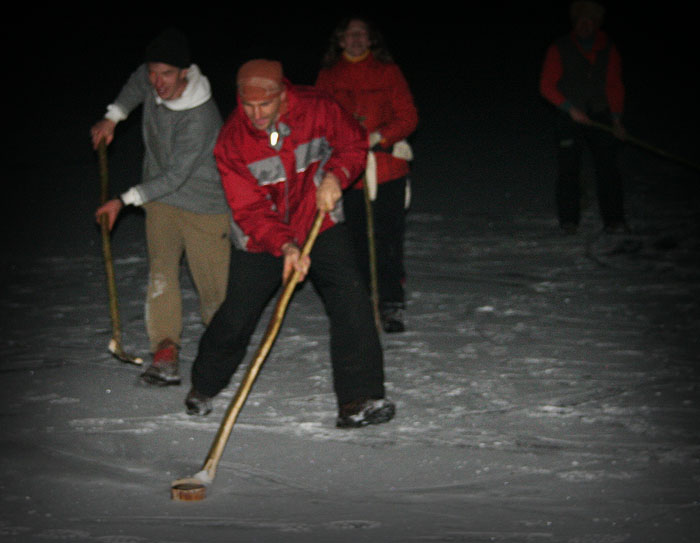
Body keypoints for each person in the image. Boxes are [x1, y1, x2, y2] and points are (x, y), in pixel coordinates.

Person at [184, 59, 395, 429]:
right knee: (237, 316)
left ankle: (358, 399)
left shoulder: (319, 107)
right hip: (261, 238)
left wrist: (337, 174)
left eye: (264, 104)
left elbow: (352, 144)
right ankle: (204, 384)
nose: (256, 114)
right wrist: (285, 246)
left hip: (320, 220)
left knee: (352, 302)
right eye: (247, 105)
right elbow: (248, 208)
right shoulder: (232, 140)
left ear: (283, 93)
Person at [91, 28, 231, 386]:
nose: (158, 81)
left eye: (166, 73)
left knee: (214, 290)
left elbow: (175, 176)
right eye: (154, 71)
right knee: (161, 274)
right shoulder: (150, 79)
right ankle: (165, 350)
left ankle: (222, 349)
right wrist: (114, 115)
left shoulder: (201, 116)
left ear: (185, 72)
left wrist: (123, 201)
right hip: (161, 202)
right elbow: (137, 84)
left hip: (204, 203)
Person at [315, 17, 418, 333]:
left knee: (388, 239)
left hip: (386, 170)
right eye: (350, 34)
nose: (357, 39)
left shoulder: (388, 72)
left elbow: (409, 117)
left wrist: (379, 137)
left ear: (371, 40)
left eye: (362, 33)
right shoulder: (329, 76)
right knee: (353, 240)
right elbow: (317, 119)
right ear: (341, 40)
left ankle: (391, 303)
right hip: (347, 175)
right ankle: (361, 302)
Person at [539, 1, 628, 234]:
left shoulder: (608, 48)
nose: (585, 26)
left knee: (608, 169)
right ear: (574, 23)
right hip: (569, 116)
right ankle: (569, 221)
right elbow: (546, 86)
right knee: (569, 170)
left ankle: (614, 220)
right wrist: (571, 109)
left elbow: (614, 85)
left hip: (600, 115)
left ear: (597, 25)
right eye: (581, 21)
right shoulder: (559, 48)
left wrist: (616, 119)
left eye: (590, 21)